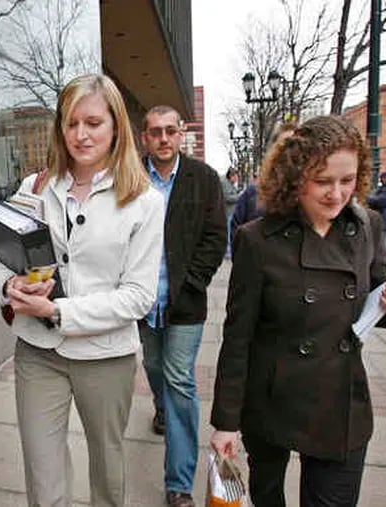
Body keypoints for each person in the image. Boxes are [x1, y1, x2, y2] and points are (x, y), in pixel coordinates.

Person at [209, 115, 386, 506]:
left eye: (347, 180)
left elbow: (377, 296)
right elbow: (238, 337)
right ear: (295, 177)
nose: (337, 193)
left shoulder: (366, 226)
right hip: (272, 399)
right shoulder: (257, 241)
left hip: (340, 402)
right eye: (323, 181)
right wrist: (226, 422)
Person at [0, 74, 164, 507]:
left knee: (108, 475)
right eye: (71, 122)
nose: (81, 134)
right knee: (43, 479)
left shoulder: (143, 201)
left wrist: (59, 311)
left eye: (93, 123)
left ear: (116, 126)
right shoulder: (36, 187)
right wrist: (8, 285)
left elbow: (138, 295)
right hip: (37, 353)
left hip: (104, 355)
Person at [139, 105, 227, 507]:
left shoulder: (203, 179)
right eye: (155, 132)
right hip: (141, 301)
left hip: (185, 304)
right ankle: (161, 409)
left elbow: (214, 238)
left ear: (181, 134)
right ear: (144, 137)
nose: (162, 139)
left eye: (169, 131)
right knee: (154, 368)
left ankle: (179, 483)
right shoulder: (131, 177)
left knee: (179, 380)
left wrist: (192, 284)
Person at [229, 122, 296, 244]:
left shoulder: (312, 194)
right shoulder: (253, 193)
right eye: (284, 145)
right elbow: (236, 232)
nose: (290, 152)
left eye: (295, 145)